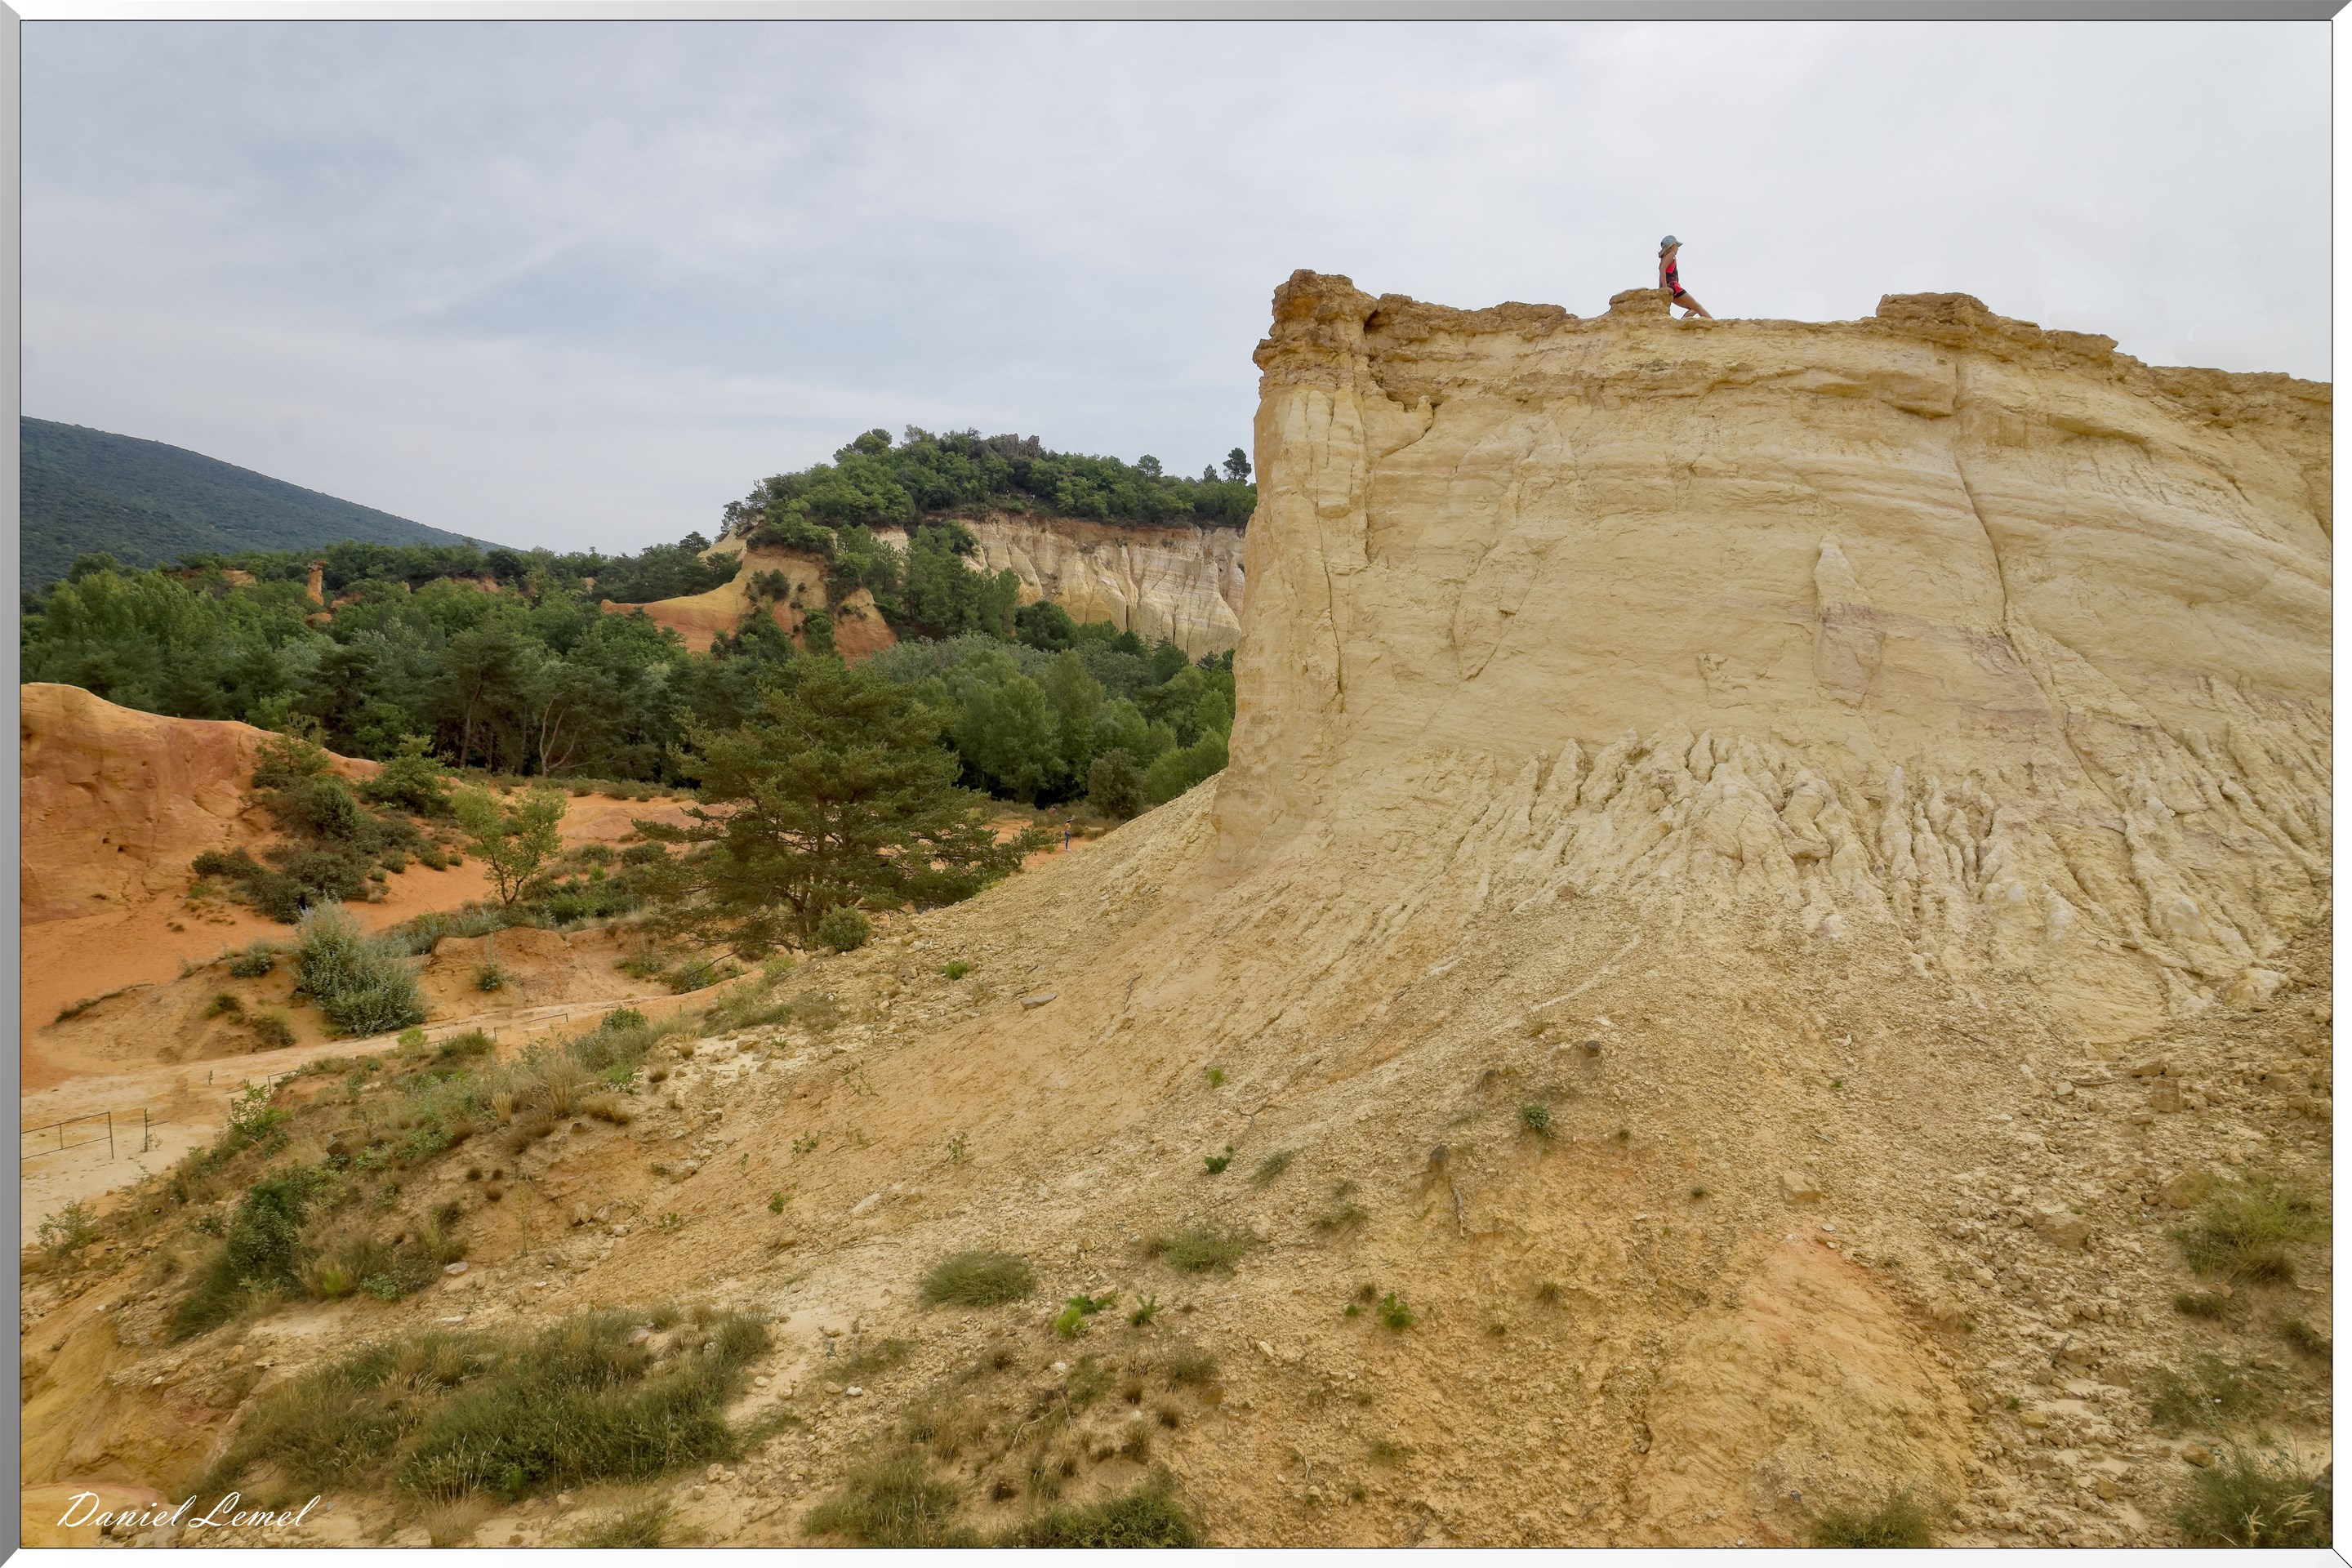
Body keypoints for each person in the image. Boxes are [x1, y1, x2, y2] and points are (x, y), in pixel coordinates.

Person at [1658, 236, 1713, 319]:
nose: (1677, 249)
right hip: (1674, 287)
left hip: (1669, 289)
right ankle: (1715, 324)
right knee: (1697, 306)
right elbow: (1662, 270)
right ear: (1672, 246)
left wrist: (1662, 287)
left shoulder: (1663, 258)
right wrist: (1665, 287)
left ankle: (1684, 320)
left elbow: (1662, 271)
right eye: (1676, 246)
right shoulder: (1671, 255)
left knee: (1694, 308)